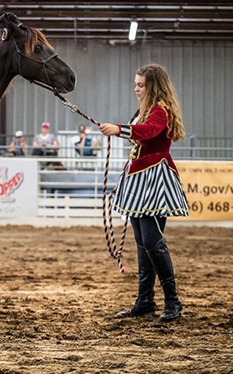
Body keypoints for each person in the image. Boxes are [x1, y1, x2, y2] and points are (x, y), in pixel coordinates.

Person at [99, 63, 189, 322]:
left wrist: (119, 129)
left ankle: (173, 301)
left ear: (153, 86)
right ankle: (145, 300)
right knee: (143, 243)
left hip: (154, 179)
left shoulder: (161, 110)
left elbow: (148, 133)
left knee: (152, 241)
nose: (136, 89)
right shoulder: (145, 111)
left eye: (141, 85)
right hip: (139, 178)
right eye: (136, 84)